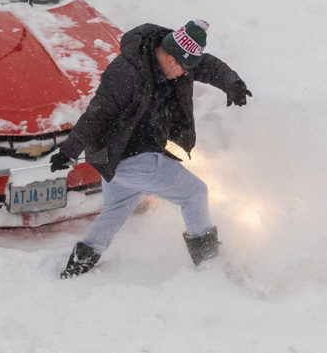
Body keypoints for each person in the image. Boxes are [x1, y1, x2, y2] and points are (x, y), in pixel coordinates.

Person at [50, 19, 251, 278]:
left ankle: (82, 259)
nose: (185, 74)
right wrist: (70, 149)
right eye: (183, 68)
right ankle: (209, 263)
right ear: (169, 58)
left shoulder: (176, 58)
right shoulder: (126, 72)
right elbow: (97, 113)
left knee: (117, 208)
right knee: (194, 194)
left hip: (120, 158)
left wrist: (231, 83)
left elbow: (207, 65)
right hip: (128, 154)